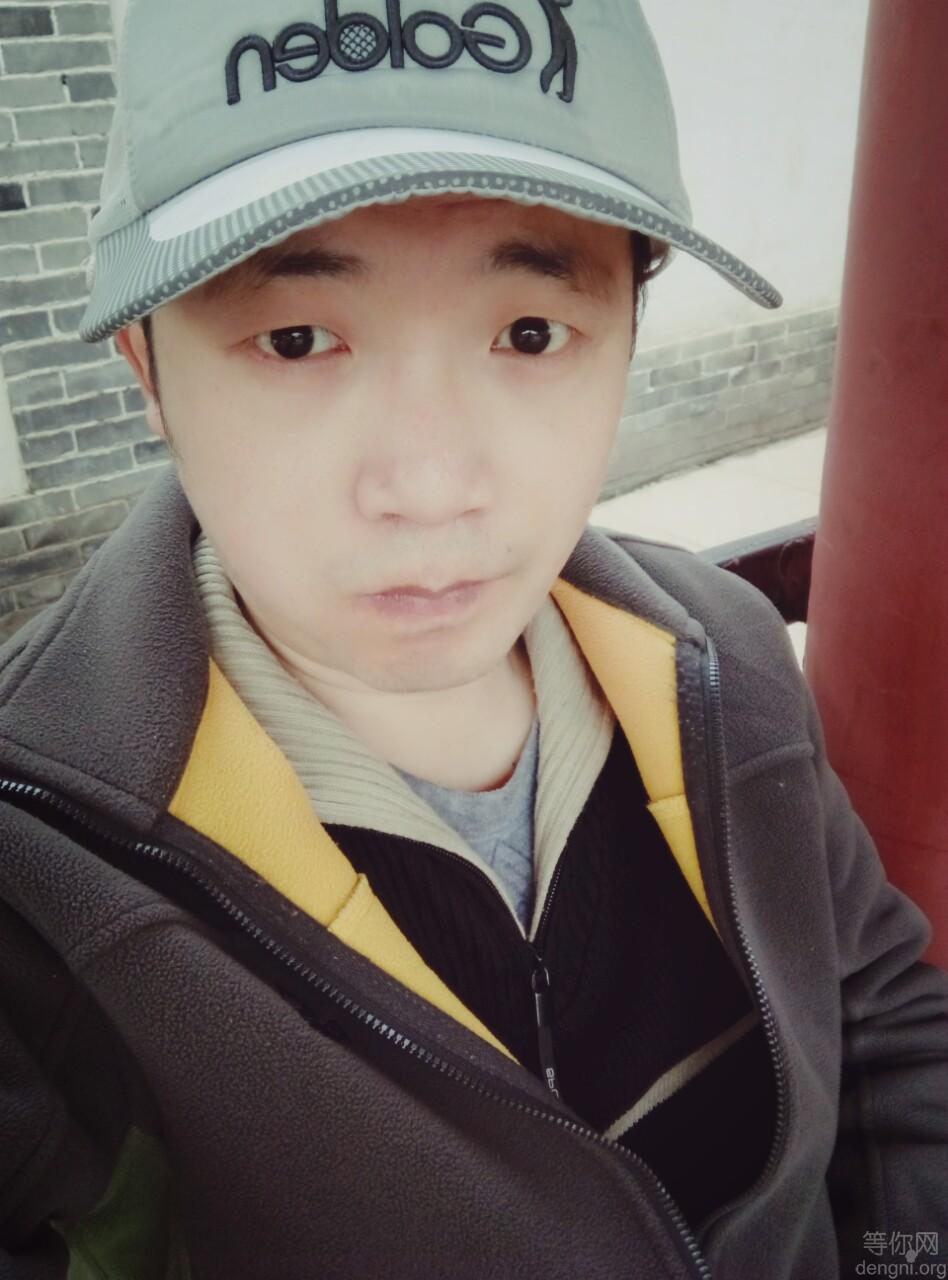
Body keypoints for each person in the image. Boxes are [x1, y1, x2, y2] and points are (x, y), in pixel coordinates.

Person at [0, 0, 945, 1276]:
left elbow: (883, 1014)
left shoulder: (722, 662)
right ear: (145, 366)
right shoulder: (39, 870)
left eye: (530, 333)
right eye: (297, 339)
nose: (432, 485)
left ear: (627, 333)